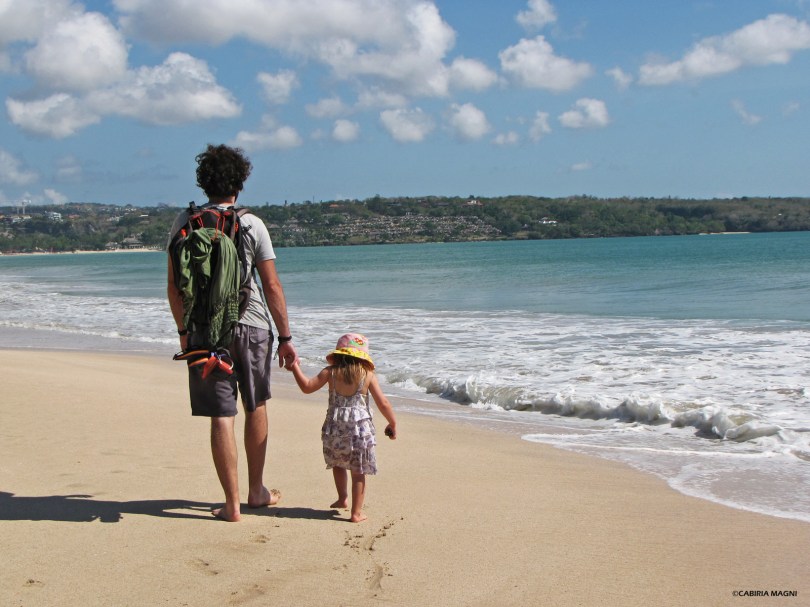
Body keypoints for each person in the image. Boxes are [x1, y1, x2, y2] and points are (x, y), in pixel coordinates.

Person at [166, 143, 298, 522]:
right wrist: (285, 338)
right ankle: (257, 490)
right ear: (240, 183)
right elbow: (271, 286)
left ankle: (232, 504)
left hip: (205, 333)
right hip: (252, 326)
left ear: (203, 182)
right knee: (256, 405)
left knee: (221, 414)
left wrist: (184, 332)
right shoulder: (252, 224)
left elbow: (174, 287)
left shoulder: (185, 222)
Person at [289, 333, 396, 523]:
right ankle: (356, 513)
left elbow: (307, 387)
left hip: (335, 428)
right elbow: (383, 403)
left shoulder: (330, 372)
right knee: (358, 471)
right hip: (359, 431)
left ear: (339, 354)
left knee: (337, 463)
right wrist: (392, 422)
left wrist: (295, 367)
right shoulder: (368, 375)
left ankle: (342, 498)